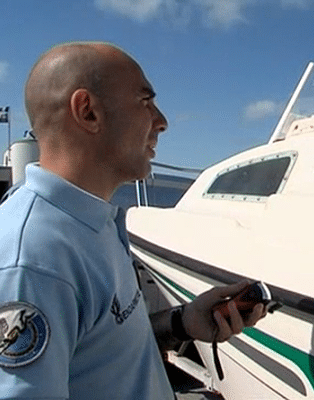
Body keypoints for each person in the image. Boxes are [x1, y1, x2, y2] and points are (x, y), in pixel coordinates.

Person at [0, 42, 265, 399]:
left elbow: (100, 348)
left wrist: (184, 322)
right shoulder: (33, 260)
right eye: (145, 102)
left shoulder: (92, 221)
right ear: (88, 112)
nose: (162, 122)